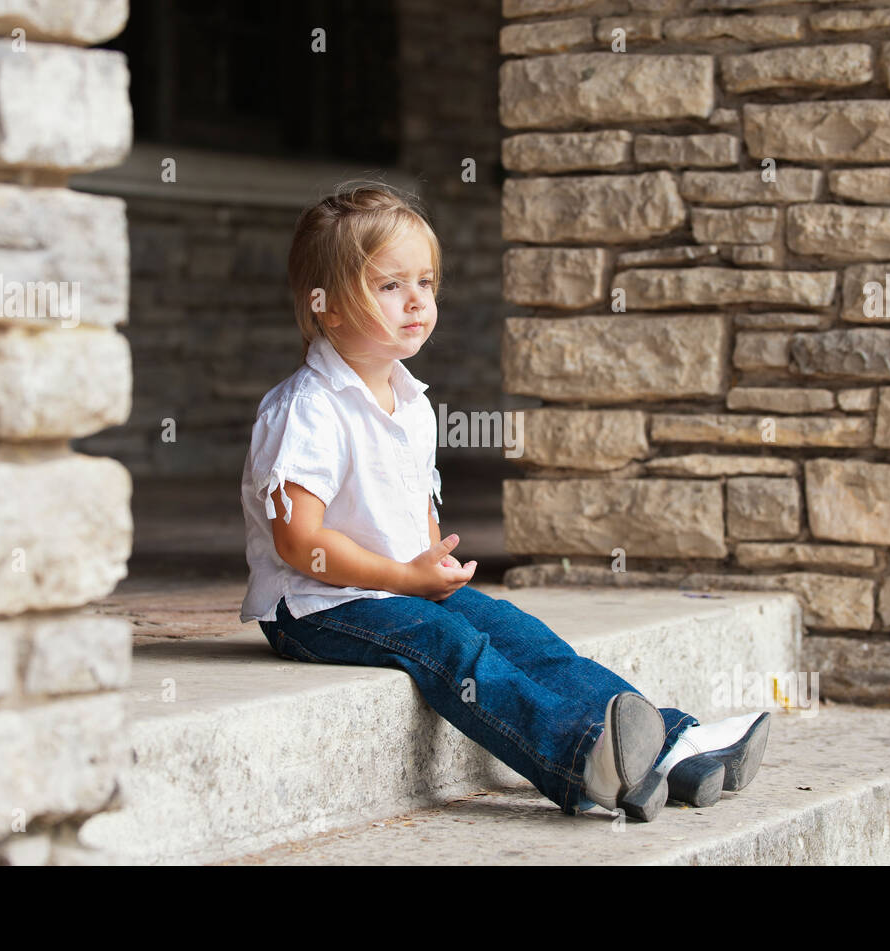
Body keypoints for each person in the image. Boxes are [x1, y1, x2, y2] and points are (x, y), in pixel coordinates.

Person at [238, 181, 770, 822]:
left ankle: (669, 746)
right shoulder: (308, 408)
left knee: (524, 636)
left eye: (426, 282)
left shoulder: (408, 400)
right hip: (320, 608)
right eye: (390, 286)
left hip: (398, 589)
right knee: (452, 646)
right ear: (324, 306)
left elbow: (411, 504)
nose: (417, 301)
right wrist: (407, 579)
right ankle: (580, 760)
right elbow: (301, 543)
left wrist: (425, 566)